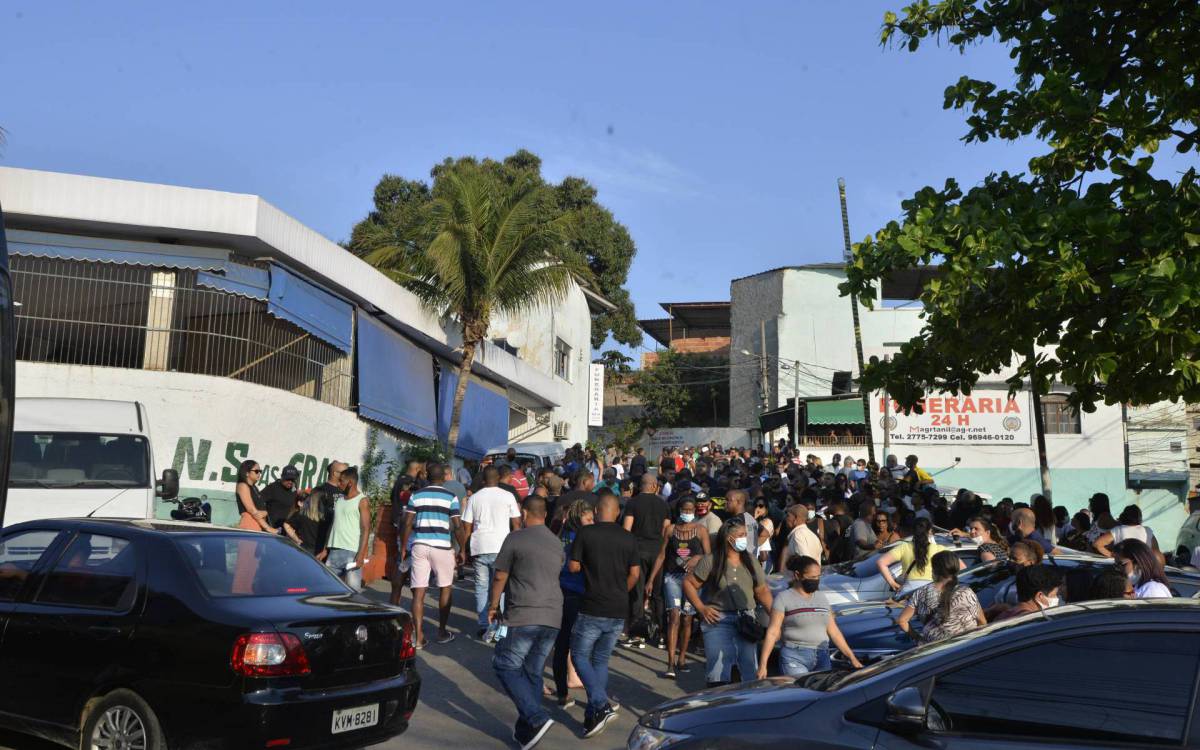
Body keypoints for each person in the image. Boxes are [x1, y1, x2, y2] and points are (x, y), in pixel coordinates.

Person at [489, 496, 564, 750]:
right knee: (532, 671)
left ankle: (536, 717)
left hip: (523, 614)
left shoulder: (516, 538)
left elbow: (500, 575)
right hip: (552, 617)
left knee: (504, 665)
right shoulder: (556, 543)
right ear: (544, 514)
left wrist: (491, 606)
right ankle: (526, 731)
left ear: (524, 512)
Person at [568, 494, 639, 738]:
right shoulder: (628, 537)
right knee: (599, 660)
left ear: (598, 511)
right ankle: (593, 714)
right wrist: (620, 590)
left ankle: (600, 703)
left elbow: (573, 567)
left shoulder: (586, 534)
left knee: (579, 656)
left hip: (592, 606)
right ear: (617, 513)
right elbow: (635, 574)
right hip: (618, 607)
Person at [683, 517, 773, 688]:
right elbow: (689, 583)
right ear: (728, 538)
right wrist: (701, 608)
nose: (745, 539)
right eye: (741, 535)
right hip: (718, 621)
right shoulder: (711, 560)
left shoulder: (751, 561)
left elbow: (762, 591)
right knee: (718, 672)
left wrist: (776, 618)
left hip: (746, 619)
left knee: (749, 672)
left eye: (746, 535)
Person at [757, 556, 862, 677]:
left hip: (822, 655)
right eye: (812, 577)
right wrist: (763, 665)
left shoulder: (821, 598)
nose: (816, 580)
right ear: (798, 575)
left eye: (818, 576)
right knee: (799, 694)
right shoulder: (783, 598)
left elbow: (834, 631)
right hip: (794, 657)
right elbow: (773, 632)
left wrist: (851, 657)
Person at [402, 464, 463, 648]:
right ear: (444, 477)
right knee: (445, 587)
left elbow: (407, 523)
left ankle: (418, 637)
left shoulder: (416, 495)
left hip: (419, 545)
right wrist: (463, 549)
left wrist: (404, 547)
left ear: (427, 476)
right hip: (442, 547)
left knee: (419, 592)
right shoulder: (450, 497)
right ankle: (442, 632)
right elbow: (458, 526)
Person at [649, 497, 710, 678]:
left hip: (693, 580)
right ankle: (670, 662)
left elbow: (708, 556)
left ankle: (682, 658)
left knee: (687, 619)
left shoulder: (701, 530)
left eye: (691, 510)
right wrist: (651, 579)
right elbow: (661, 555)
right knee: (674, 616)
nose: (688, 513)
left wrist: (696, 559)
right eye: (685, 509)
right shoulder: (670, 530)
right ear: (679, 510)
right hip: (672, 578)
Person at [462, 465, 522, 639]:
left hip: (479, 546)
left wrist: (464, 549)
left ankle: (483, 625)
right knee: (501, 587)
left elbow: (467, 526)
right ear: (498, 479)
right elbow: (517, 524)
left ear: (483, 481)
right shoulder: (508, 496)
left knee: (481, 587)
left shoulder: (475, 498)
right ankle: (498, 625)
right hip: (502, 548)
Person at [552, 499, 592, 708]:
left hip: (560, 589)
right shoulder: (583, 537)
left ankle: (562, 693)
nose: (592, 522)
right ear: (580, 517)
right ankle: (596, 697)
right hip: (578, 592)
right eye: (589, 518)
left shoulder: (563, 534)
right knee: (581, 646)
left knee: (562, 644)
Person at [622, 473, 671, 646]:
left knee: (637, 591)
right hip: (658, 552)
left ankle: (636, 633)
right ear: (654, 486)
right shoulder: (664, 505)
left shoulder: (632, 503)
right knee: (658, 595)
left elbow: (627, 529)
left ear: (640, 486)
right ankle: (662, 634)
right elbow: (667, 531)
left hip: (637, 552)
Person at [897, 550, 985, 644]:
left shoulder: (921, 593)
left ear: (934, 569)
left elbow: (902, 620)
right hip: (966, 647)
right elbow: (982, 622)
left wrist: (919, 639)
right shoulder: (966, 592)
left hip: (937, 651)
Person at [877, 518, 961, 596]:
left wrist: (893, 583)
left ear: (913, 531)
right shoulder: (940, 549)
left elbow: (881, 562)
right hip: (932, 591)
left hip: (908, 592)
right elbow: (963, 568)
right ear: (930, 531)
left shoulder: (904, 547)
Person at [325, 466, 371, 591]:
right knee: (327, 589)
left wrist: (361, 554)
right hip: (334, 551)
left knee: (352, 594)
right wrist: (326, 548)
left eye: (341, 481)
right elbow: (334, 525)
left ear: (350, 483)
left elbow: (366, 529)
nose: (338, 484)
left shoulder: (362, 500)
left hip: (352, 553)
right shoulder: (339, 500)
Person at [993, 565, 1065, 622]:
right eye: (1054, 595)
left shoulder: (1003, 615)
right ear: (1040, 596)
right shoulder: (1031, 622)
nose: (1057, 598)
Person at [1092, 504, 1160, 557]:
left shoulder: (1118, 530)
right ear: (1139, 518)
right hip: (1144, 566)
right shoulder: (1147, 530)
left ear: (1124, 516)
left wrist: (1112, 555)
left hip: (1124, 566)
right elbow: (1156, 551)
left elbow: (1097, 544)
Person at [779, 504, 822, 572]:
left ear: (796, 518)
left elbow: (806, 563)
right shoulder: (812, 535)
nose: (786, 518)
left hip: (803, 580)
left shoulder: (797, 535)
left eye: (788, 516)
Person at [283, 489, 326, 555]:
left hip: (310, 549)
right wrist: (296, 539)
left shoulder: (302, 514)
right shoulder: (301, 514)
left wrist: (296, 539)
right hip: (309, 549)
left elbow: (286, 525)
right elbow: (286, 525)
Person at [234, 460, 272, 533]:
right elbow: (252, 511)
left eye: (260, 471)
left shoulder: (254, 487)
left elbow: (259, 509)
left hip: (258, 524)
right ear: (247, 473)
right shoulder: (243, 486)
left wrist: (265, 513)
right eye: (256, 471)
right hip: (250, 524)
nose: (259, 474)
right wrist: (268, 528)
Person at [260, 464, 301, 531]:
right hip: (272, 529)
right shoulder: (272, 488)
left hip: (286, 530)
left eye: (293, 479)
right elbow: (258, 501)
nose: (290, 482)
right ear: (282, 477)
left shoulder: (294, 490)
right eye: (288, 479)